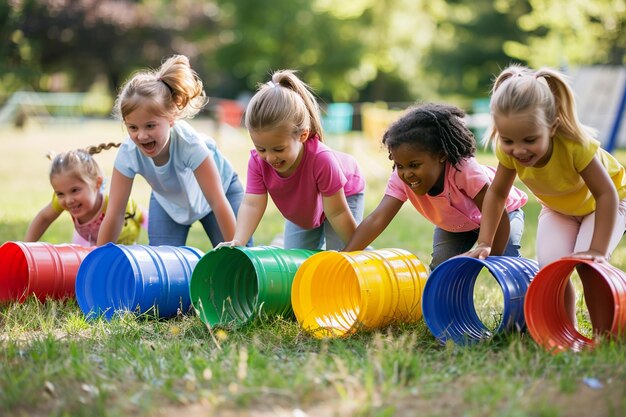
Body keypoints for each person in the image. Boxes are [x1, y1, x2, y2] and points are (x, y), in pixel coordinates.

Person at [464, 64, 626, 334]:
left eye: (529, 139)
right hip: (559, 209)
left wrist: (597, 250)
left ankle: (605, 335)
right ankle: (566, 334)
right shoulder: (509, 151)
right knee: (552, 272)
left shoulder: (576, 146)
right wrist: (484, 241)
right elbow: (497, 193)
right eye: (508, 141)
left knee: (588, 267)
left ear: (552, 126)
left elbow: (605, 193)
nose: (518, 150)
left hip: (606, 204)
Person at [343, 103, 527, 270]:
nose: (407, 173)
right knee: (442, 268)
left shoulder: (463, 169)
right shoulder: (401, 179)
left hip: (502, 214)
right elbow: (377, 219)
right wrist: (346, 255)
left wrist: (492, 255)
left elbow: (495, 207)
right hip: (455, 226)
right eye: (400, 166)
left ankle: (524, 298)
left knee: (505, 259)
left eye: (414, 165)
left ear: (441, 156)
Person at [97, 54, 249, 248]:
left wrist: (237, 251)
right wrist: (97, 258)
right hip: (168, 200)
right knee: (163, 265)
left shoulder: (190, 145)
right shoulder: (129, 153)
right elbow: (115, 213)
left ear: (171, 118)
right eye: (133, 127)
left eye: (150, 126)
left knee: (236, 257)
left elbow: (217, 201)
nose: (141, 136)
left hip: (221, 195)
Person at [217, 70, 365, 250]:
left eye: (279, 149)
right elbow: (252, 204)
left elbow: (337, 212)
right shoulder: (258, 162)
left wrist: (356, 250)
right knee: (296, 259)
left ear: (302, 135)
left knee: (339, 257)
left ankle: (365, 250)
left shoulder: (322, 160)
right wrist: (238, 240)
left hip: (344, 196)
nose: (270, 158)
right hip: (305, 208)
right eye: (261, 148)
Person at [25, 144, 145, 246]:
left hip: (124, 243)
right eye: (60, 193)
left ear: (97, 183)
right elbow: (43, 219)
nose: (68, 200)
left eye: (75, 190)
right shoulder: (62, 200)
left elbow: (143, 216)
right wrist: (27, 247)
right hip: (93, 241)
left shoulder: (112, 202)